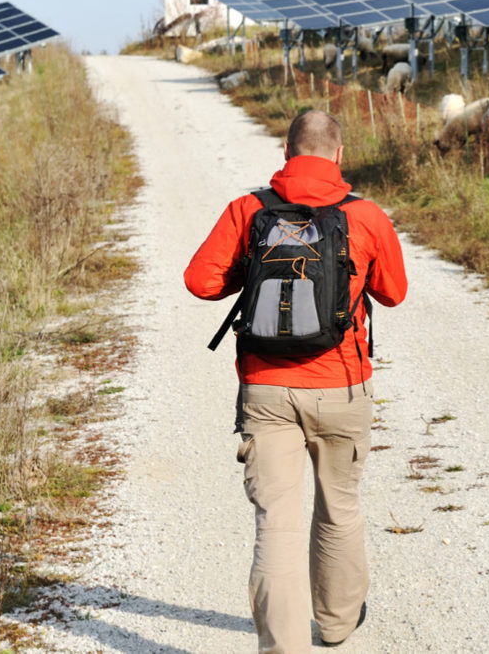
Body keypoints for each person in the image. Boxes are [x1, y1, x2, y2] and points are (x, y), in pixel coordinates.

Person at [184, 109, 408, 653]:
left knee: (276, 526)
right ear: (339, 154)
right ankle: (335, 623)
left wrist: (252, 268)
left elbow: (199, 280)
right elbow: (394, 293)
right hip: (343, 386)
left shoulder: (248, 210)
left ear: (285, 153)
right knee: (339, 506)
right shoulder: (367, 215)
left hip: (265, 389)